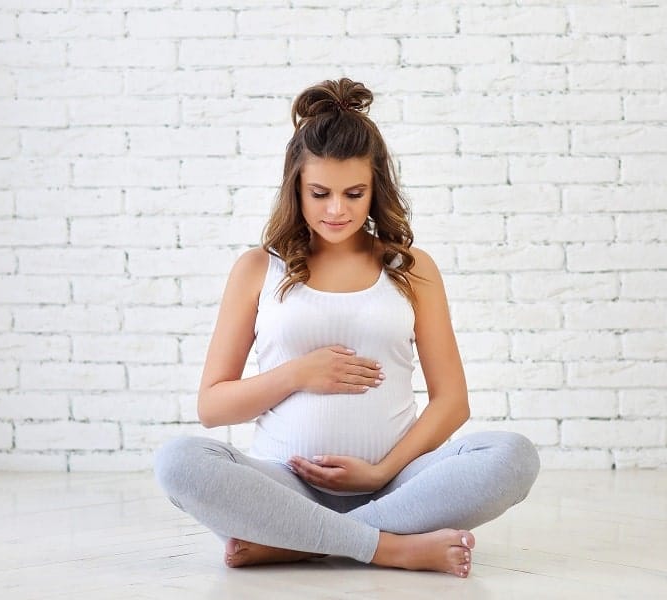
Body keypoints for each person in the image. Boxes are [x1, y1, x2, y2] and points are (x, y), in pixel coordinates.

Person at [154, 78, 540, 579]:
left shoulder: (410, 266)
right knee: (179, 461)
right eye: (320, 193)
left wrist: (381, 471)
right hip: (282, 483)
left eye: (354, 193)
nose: (337, 209)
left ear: (376, 188)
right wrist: (298, 374)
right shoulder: (257, 269)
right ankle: (387, 547)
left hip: (400, 486)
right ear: (296, 186)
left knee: (513, 457)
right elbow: (212, 407)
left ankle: (298, 540)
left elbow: (453, 402)